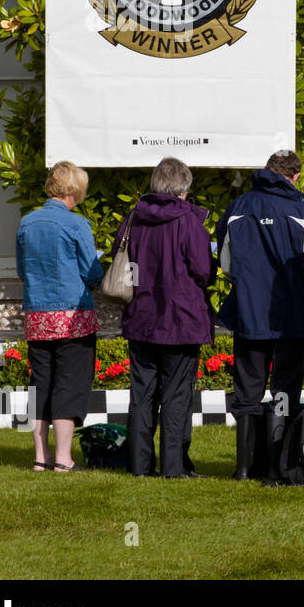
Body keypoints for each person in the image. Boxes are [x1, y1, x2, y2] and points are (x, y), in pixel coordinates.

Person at [217, 150, 304, 482]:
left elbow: (225, 261)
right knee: (283, 390)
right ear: (296, 176)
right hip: (290, 311)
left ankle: (246, 468)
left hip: (248, 310)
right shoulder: (302, 208)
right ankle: (278, 466)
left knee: (247, 389)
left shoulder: (239, 206)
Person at [121, 157, 215, 478]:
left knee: (142, 395)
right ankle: (173, 468)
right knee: (176, 396)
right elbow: (204, 270)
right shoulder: (189, 222)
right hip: (181, 320)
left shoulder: (134, 218)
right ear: (184, 188)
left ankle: (139, 466)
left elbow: (122, 259)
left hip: (142, 318)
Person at [16, 162, 104, 472]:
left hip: (37, 314)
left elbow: (21, 271)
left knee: (40, 384)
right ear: (75, 190)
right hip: (71, 316)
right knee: (70, 382)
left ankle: (41, 457)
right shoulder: (76, 224)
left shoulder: (27, 223)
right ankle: (64, 458)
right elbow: (92, 273)